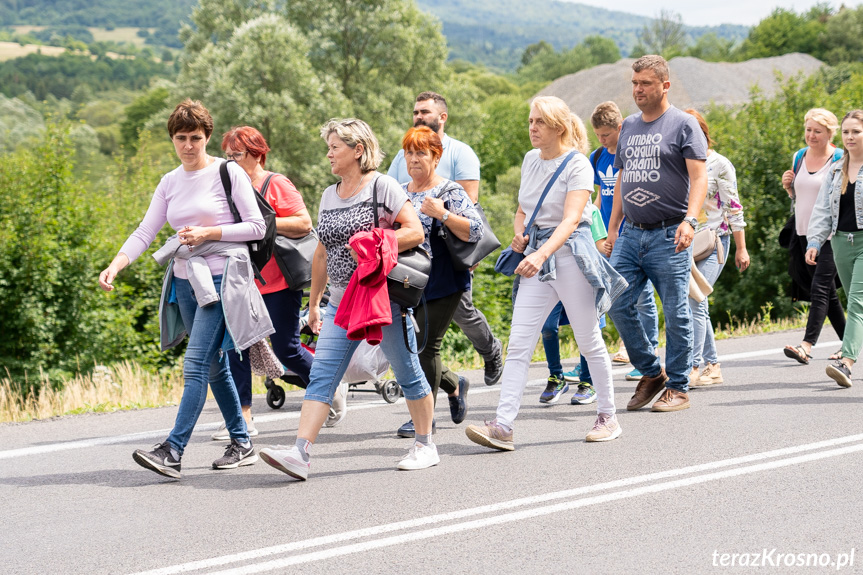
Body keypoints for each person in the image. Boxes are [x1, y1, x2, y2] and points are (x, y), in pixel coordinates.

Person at [259, 118, 438, 479]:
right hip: (340, 301)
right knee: (323, 374)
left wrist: (374, 242)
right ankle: (299, 453)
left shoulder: (382, 187)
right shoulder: (329, 194)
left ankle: (425, 443)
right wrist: (314, 304)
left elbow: (415, 231)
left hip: (379, 298)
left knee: (405, 370)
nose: (328, 153)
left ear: (358, 150)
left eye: (334, 147)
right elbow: (322, 253)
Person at [98, 99, 267, 478]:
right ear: (172, 140)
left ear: (207, 137)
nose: (188, 145)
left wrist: (209, 232)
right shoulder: (170, 181)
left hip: (224, 279)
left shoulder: (228, 173)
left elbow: (257, 227)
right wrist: (116, 264)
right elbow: (145, 232)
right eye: (180, 138)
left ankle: (173, 450)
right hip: (185, 280)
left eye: (195, 137)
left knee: (194, 363)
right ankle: (242, 443)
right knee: (211, 367)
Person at [464, 96, 626, 452]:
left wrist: (541, 253)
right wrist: (520, 232)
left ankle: (607, 416)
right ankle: (503, 426)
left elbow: (571, 218)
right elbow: (524, 207)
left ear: (558, 126)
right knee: (520, 342)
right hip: (536, 253)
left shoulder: (578, 164)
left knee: (588, 340)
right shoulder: (529, 160)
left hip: (569, 255)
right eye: (530, 121)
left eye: (538, 121)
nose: (532, 127)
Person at [604, 55, 709, 413]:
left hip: (669, 234)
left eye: (645, 84)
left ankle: (678, 386)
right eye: (634, 83)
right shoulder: (629, 126)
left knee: (676, 311)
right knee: (615, 300)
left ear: (665, 85)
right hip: (631, 233)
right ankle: (652, 372)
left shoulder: (683, 125)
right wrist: (613, 227)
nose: (638, 90)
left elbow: (699, 177)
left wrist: (690, 221)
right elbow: (621, 176)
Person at [388, 91, 504, 386]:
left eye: (424, 112)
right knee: (418, 344)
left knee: (457, 318)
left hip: (444, 265)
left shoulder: (460, 154)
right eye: (415, 112)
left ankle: (490, 351)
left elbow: (471, 207)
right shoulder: (402, 169)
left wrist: (448, 222)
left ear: (442, 117)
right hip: (409, 271)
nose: (418, 116)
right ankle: (451, 386)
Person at [209, 126, 315, 440]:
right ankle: (242, 418)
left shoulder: (275, 183)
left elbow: (304, 223)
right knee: (236, 347)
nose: (230, 162)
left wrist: (261, 224)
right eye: (227, 156)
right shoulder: (225, 188)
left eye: (237, 155)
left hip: (278, 282)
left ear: (257, 155)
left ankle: (325, 386)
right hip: (241, 281)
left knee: (287, 349)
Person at [399, 125, 483, 435]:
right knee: (410, 347)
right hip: (408, 280)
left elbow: (475, 230)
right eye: (409, 152)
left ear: (436, 156)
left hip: (444, 279)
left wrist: (443, 214)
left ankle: (424, 419)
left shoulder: (449, 191)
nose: (414, 159)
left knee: (426, 348)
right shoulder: (400, 191)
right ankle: (454, 383)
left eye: (421, 152)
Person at [587, 101, 660, 384]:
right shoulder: (597, 157)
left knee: (642, 297)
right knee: (615, 294)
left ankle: (649, 350)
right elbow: (600, 197)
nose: (602, 141)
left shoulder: (632, 154)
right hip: (606, 235)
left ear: (619, 128)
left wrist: (618, 229)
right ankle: (628, 347)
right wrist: (598, 230)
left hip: (630, 232)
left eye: (605, 135)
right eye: (597, 136)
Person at [684, 109, 750, 386]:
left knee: (695, 300)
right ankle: (713, 365)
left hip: (715, 242)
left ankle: (693, 367)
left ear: (703, 133)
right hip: (684, 244)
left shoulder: (720, 164)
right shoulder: (678, 163)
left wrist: (741, 248)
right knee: (698, 303)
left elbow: (734, 208)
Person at [782, 108, 846, 365]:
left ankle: (806, 346)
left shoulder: (840, 158)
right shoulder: (799, 156)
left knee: (820, 287)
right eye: (808, 129)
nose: (811, 135)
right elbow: (802, 197)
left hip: (832, 235)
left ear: (830, 133)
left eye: (817, 131)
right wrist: (789, 187)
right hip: (803, 234)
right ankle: (849, 343)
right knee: (827, 293)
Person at [806, 109, 863, 388]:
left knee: (857, 302)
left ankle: (847, 362)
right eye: (846, 132)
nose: (850, 137)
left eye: (856, 131)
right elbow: (822, 209)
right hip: (841, 240)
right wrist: (815, 241)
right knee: (857, 302)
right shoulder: (837, 168)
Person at [538, 202, 608, 405]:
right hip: (552, 274)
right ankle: (556, 377)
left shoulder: (591, 211)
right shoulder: (548, 209)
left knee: (586, 330)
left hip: (583, 276)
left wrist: (611, 247)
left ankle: (587, 382)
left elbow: (600, 245)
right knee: (548, 327)